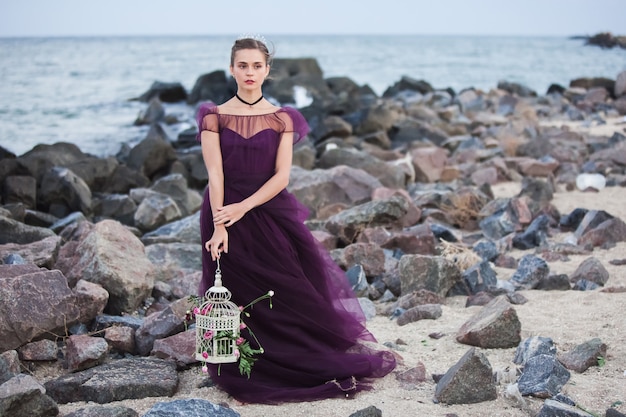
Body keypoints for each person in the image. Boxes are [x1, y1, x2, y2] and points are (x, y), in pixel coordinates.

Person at [196, 36, 396, 404]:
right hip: (222, 211)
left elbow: (281, 177)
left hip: (267, 208)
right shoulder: (215, 117)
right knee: (233, 288)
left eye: (257, 66)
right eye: (243, 65)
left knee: (287, 283)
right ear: (231, 69)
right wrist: (222, 223)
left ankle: (294, 357)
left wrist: (244, 208)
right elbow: (216, 175)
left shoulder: (282, 118)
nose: (250, 72)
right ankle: (242, 364)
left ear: (267, 70)